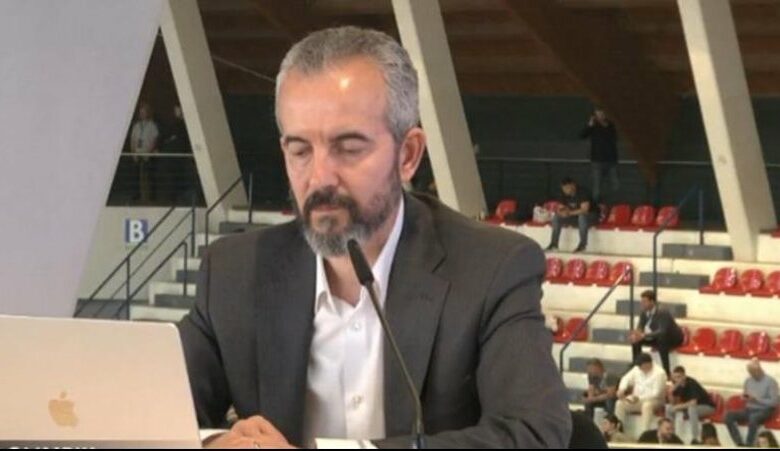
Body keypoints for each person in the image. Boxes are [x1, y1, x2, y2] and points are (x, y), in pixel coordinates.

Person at [178, 26, 571, 449]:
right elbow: (148, 411)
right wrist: (217, 444)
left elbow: (532, 433)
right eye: (300, 150)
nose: (320, 177)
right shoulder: (233, 272)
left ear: (408, 155)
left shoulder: (492, 268)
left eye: (348, 148)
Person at [629, 289, 684, 378]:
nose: (642, 304)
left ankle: (666, 372)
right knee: (636, 341)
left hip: (672, 338)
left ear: (652, 302)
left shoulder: (662, 312)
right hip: (656, 336)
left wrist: (644, 335)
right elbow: (640, 327)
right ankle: (637, 366)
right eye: (641, 302)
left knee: (662, 339)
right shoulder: (644, 312)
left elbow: (663, 331)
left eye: (644, 301)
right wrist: (637, 335)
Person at [725, 359, 780, 447]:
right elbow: (745, 394)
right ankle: (739, 442)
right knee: (729, 415)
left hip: (765, 410)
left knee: (753, 418)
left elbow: (774, 402)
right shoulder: (748, 380)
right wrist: (744, 397)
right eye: (750, 372)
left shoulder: (771, 382)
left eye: (754, 372)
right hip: (749, 409)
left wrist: (757, 400)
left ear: (759, 370)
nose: (752, 375)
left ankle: (749, 444)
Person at [615, 353, 667, 435]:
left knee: (647, 406)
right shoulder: (637, 369)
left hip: (655, 400)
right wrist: (622, 389)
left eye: (641, 366)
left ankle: (644, 433)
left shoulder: (660, 373)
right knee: (619, 403)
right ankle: (619, 431)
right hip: (636, 400)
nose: (639, 368)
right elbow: (626, 378)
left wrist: (639, 398)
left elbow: (656, 393)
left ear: (648, 364)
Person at [545, 177, 598, 253]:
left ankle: (582, 245)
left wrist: (569, 213)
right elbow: (561, 207)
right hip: (575, 217)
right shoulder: (563, 194)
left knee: (582, 217)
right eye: (564, 189)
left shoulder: (582, 192)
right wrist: (561, 212)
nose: (565, 191)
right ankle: (554, 244)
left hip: (591, 217)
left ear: (573, 185)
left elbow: (584, 210)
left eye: (567, 188)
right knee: (556, 217)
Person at [664, 366, 716, 442]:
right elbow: (673, 403)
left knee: (691, 409)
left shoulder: (691, 383)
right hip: (689, 407)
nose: (677, 379)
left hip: (707, 407)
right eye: (675, 377)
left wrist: (677, 407)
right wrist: (670, 393)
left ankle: (695, 438)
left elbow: (693, 402)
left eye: (679, 377)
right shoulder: (677, 385)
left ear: (684, 376)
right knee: (668, 408)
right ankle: (671, 435)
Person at [579, 107, 618, 203]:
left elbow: (614, 138)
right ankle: (596, 204)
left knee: (615, 185)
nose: (600, 116)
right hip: (597, 161)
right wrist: (589, 125)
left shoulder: (611, 125)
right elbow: (582, 135)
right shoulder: (593, 126)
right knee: (597, 186)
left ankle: (613, 203)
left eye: (602, 113)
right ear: (595, 115)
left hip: (611, 160)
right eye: (598, 114)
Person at [129, 102, 159, 202]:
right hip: (137, 153)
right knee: (135, 175)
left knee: (149, 176)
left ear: (147, 113)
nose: (142, 114)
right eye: (140, 112)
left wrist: (149, 153)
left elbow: (155, 140)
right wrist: (133, 153)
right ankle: (136, 194)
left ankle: (151, 196)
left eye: (144, 112)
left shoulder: (152, 125)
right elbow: (132, 139)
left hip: (148, 154)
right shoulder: (136, 126)